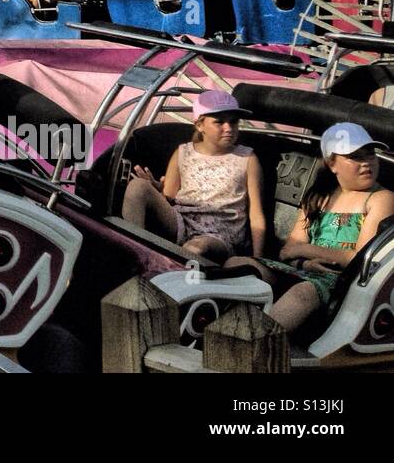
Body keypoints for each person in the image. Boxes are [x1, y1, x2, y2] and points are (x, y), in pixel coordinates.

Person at [225, 122, 394, 333]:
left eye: (370, 154)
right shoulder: (318, 197)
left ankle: (252, 345)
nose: (367, 163)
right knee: (236, 263)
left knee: (303, 293)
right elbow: (287, 251)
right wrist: (305, 264)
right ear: (332, 163)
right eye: (355, 156)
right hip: (304, 270)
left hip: (342, 281)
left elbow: (359, 259)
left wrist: (305, 250)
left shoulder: (380, 198)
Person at [121, 89, 267, 262]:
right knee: (137, 187)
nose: (228, 128)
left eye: (233, 122)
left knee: (196, 248)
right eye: (219, 122)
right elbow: (169, 198)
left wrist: (257, 259)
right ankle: (135, 254)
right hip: (182, 221)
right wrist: (156, 188)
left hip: (221, 235)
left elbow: (256, 214)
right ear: (200, 125)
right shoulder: (183, 153)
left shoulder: (247, 158)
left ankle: (168, 273)